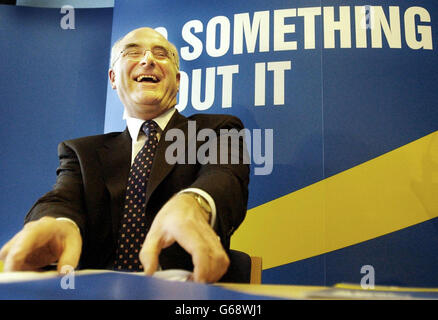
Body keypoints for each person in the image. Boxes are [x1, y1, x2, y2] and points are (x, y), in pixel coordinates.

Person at [0, 27, 249, 283]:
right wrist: (60, 221)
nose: (148, 60)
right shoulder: (81, 152)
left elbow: (225, 175)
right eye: (133, 52)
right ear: (113, 78)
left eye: (161, 54)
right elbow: (62, 199)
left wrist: (194, 203)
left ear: (177, 81)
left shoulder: (216, 129)